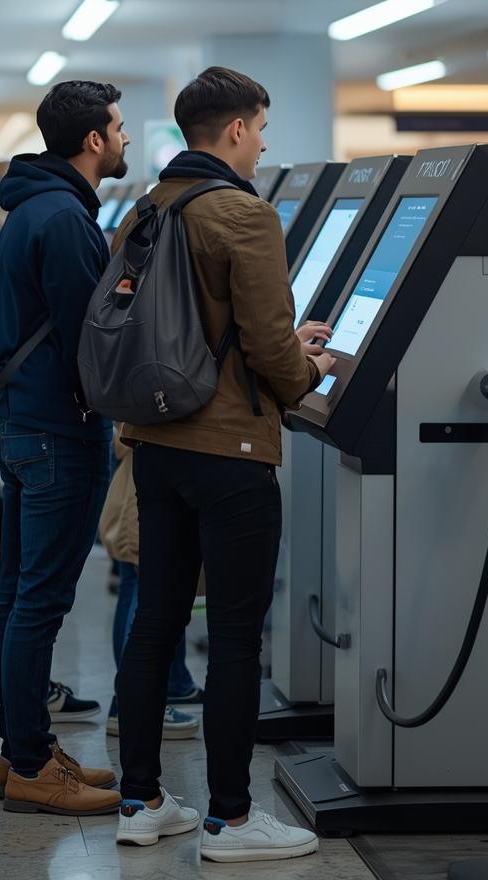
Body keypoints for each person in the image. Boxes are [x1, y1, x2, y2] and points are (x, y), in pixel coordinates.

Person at [112, 67, 334, 861]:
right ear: (236, 129)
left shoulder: (147, 206)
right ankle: (231, 821)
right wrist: (308, 368)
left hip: (156, 444)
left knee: (155, 624)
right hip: (230, 450)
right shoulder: (244, 214)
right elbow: (273, 346)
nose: (264, 142)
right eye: (262, 129)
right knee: (237, 637)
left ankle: (139, 802)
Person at [0, 80, 130, 815]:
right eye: (118, 125)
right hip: (57, 431)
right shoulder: (67, 220)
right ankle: (34, 764)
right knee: (38, 601)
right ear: (93, 140)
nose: (127, 137)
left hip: (21, 424)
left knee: (18, 596)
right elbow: (91, 341)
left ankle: (20, 753)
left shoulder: (30, 209)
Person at [98, 433, 202, 742]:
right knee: (143, 591)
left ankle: (145, 696)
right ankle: (132, 704)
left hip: (140, 468)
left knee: (138, 586)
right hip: (145, 470)